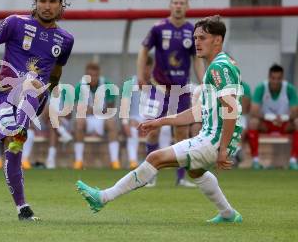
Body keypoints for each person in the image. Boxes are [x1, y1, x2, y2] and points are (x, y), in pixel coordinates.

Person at [77, 16, 243, 224]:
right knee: (196, 170)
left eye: (203, 38)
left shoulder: (220, 68)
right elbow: (196, 113)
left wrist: (224, 148)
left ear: (218, 40)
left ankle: (102, 197)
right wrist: (159, 122)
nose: (197, 42)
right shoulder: (217, 67)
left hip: (215, 140)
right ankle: (228, 214)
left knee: (155, 158)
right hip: (212, 137)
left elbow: (231, 109)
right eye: (195, 38)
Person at [0, 0, 74, 221]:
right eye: (43, 0)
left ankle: (21, 128)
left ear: (61, 5)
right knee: (12, 144)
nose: (47, 6)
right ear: (36, 3)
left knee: (33, 84)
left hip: (35, 94)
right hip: (3, 95)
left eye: (53, 1)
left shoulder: (65, 39)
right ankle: (22, 208)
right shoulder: (15, 23)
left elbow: (56, 72)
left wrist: (53, 93)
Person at [136, 0, 204, 186]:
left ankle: (181, 179)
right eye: (175, 2)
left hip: (181, 91)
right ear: (170, 5)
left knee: (182, 134)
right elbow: (143, 50)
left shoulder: (192, 30)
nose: (178, 6)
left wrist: (202, 83)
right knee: (152, 131)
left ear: (187, 6)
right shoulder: (158, 28)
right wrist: (141, 75)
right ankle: (150, 175)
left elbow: (196, 60)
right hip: (158, 88)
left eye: (182, 2)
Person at [247, 64, 298, 170]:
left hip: (284, 124)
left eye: (279, 78)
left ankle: (293, 160)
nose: (275, 81)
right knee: (253, 122)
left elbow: (295, 112)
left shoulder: (289, 89)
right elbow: (253, 110)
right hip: (267, 124)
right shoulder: (261, 88)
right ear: (269, 77)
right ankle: (255, 160)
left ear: (282, 78)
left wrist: (284, 118)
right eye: (273, 78)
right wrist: (270, 117)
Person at [73, 62, 120, 169]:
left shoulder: (107, 85)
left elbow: (110, 109)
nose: (93, 78)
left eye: (95, 75)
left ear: (99, 75)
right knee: (79, 122)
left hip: (102, 119)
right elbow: (78, 109)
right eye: (90, 75)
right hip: (87, 120)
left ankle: (114, 161)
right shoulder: (80, 86)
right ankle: (78, 161)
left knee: (112, 123)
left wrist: (91, 109)